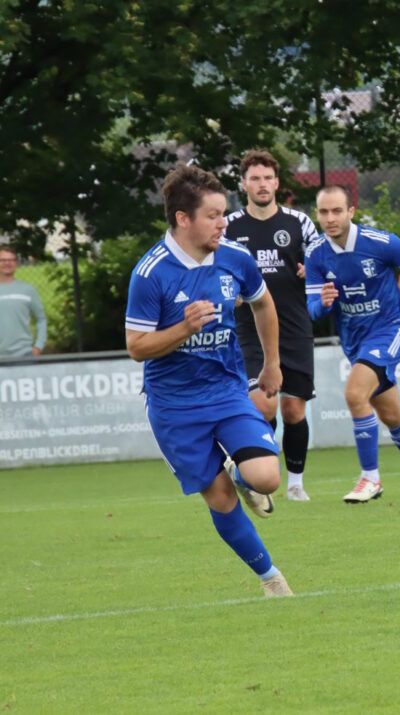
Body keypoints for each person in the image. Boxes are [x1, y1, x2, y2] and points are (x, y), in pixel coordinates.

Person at [124, 164, 292, 597]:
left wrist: (271, 364)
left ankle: (242, 474)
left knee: (267, 478)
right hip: (174, 405)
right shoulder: (151, 273)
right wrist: (184, 328)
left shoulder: (234, 257)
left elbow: (263, 304)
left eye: (223, 213)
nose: (223, 223)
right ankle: (271, 579)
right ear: (183, 218)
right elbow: (137, 346)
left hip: (226, 390)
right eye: (213, 215)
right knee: (219, 498)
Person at [305, 185, 400, 503]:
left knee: (355, 394)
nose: (330, 218)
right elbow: (312, 310)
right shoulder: (315, 254)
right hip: (354, 340)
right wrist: (323, 303)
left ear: (351, 212)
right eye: (323, 212)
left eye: (337, 211)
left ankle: (370, 478)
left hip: (389, 330)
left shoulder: (380, 242)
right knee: (391, 415)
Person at [224, 150, 319, 502]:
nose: (262, 184)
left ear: (277, 183)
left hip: (294, 326)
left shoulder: (299, 223)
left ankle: (295, 484)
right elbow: (215, 268)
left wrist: (313, 270)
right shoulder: (229, 227)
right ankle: (260, 474)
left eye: (267, 178)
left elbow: (321, 262)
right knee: (264, 405)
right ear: (244, 184)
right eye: (255, 178)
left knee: (293, 410)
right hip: (249, 329)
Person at [0, 247, 47, 358]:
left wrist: (39, 346)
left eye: (11, 260)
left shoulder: (28, 290)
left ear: (16, 263)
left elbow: (41, 319)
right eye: (2, 260)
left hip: (24, 354)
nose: (7, 263)